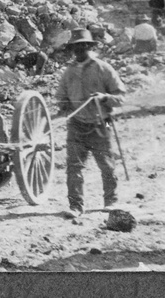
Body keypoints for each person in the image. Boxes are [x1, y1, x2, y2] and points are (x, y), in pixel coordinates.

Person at [55, 29, 126, 218]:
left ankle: (111, 201)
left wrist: (104, 97)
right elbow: (61, 97)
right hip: (76, 125)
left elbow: (120, 97)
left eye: (83, 45)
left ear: (89, 46)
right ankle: (76, 206)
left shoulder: (103, 68)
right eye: (75, 46)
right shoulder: (69, 71)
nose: (79, 49)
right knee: (74, 167)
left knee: (107, 165)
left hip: (101, 124)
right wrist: (64, 107)